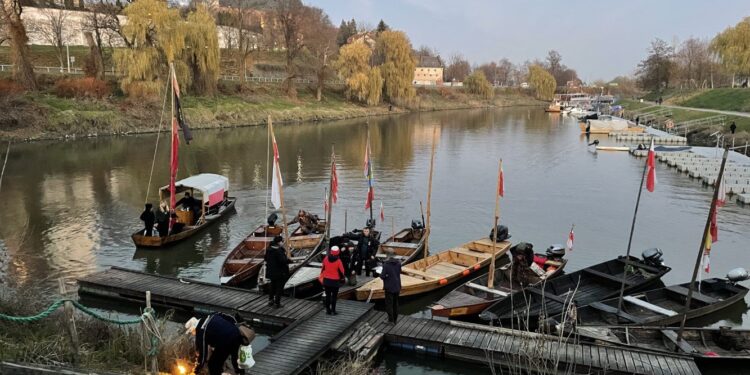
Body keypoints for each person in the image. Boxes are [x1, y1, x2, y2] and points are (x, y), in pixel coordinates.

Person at [264, 235, 291, 307]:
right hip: (280, 272)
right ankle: (277, 303)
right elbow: (283, 261)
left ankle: (270, 301)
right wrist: (289, 260)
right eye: (282, 241)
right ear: (279, 242)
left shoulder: (269, 249)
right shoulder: (279, 250)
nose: (283, 242)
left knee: (272, 286)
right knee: (279, 287)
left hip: (271, 272)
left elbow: (266, 259)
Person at [319, 246, 345, 315]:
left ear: (331, 251)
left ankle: (328, 310)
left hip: (326, 281)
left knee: (328, 296)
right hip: (335, 282)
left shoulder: (326, 258)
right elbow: (342, 272)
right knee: (334, 296)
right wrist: (342, 279)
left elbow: (322, 269)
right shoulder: (339, 261)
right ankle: (333, 310)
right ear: (338, 252)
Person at [380, 248, 402, 324]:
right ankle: (395, 319)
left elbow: (382, 276)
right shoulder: (399, 263)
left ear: (387, 255)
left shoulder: (386, 265)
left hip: (389, 287)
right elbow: (398, 272)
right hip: (397, 286)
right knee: (396, 304)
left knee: (389, 304)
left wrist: (385, 276)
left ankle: (390, 320)